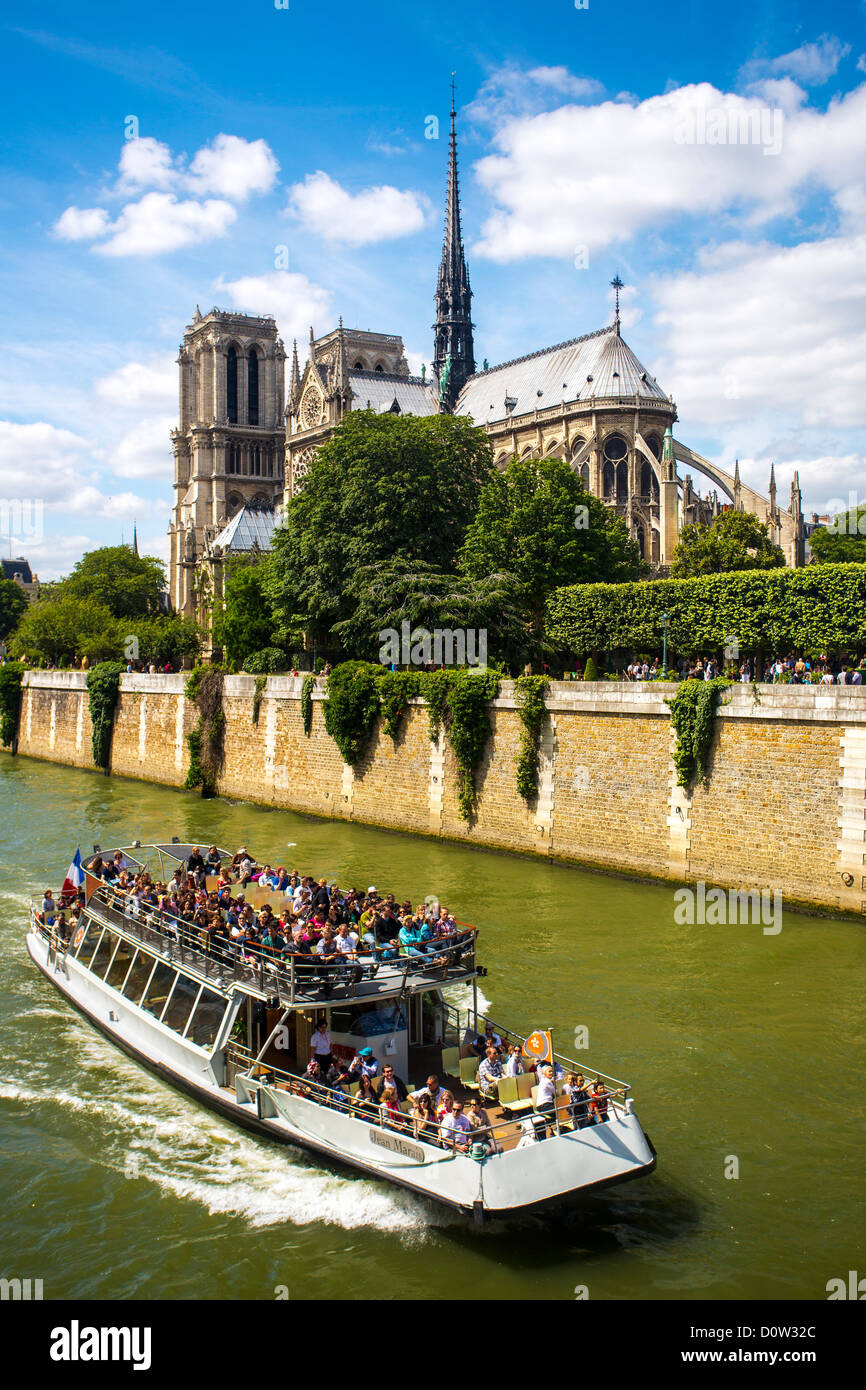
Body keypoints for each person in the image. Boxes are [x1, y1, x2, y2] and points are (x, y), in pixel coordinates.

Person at [535, 1064, 557, 1138]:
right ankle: (555, 1129)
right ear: (544, 1073)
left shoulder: (543, 1080)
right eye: (549, 1071)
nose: (551, 1073)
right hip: (544, 1105)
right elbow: (555, 1092)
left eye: (552, 1071)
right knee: (559, 1111)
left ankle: (553, 1128)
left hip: (541, 1105)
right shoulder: (547, 1082)